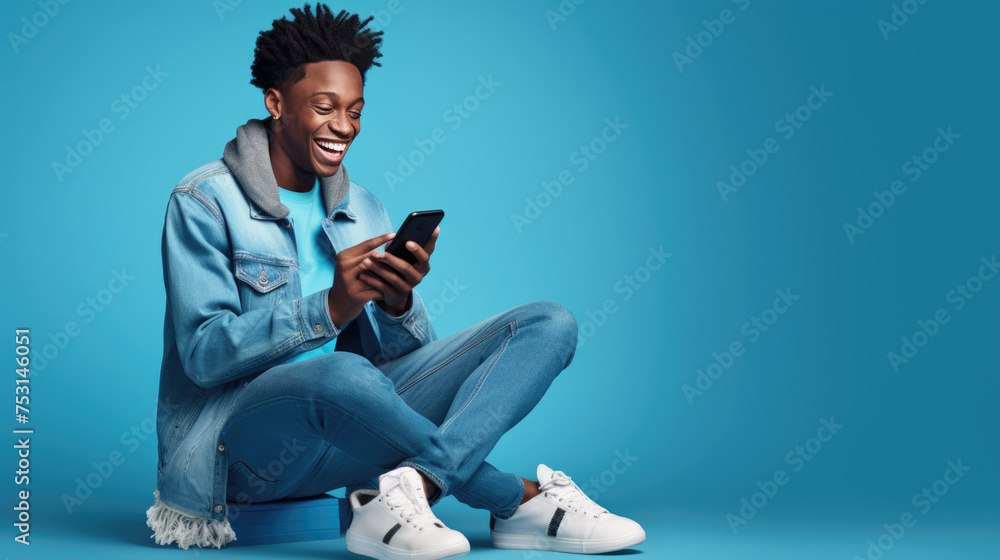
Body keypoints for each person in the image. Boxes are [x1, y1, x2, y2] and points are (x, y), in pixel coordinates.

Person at [146, 4, 645, 558]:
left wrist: (397, 301)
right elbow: (204, 356)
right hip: (241, 455)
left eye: (355, 111)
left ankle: (413, 487)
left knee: (549, 323)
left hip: (346, 439)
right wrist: (330, 308)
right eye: (325, 107)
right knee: (342, 372)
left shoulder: (363, 209)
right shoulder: (204, 201)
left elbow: (405, 380)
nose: (344, 126)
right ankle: (517, 499)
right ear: (276, 102)